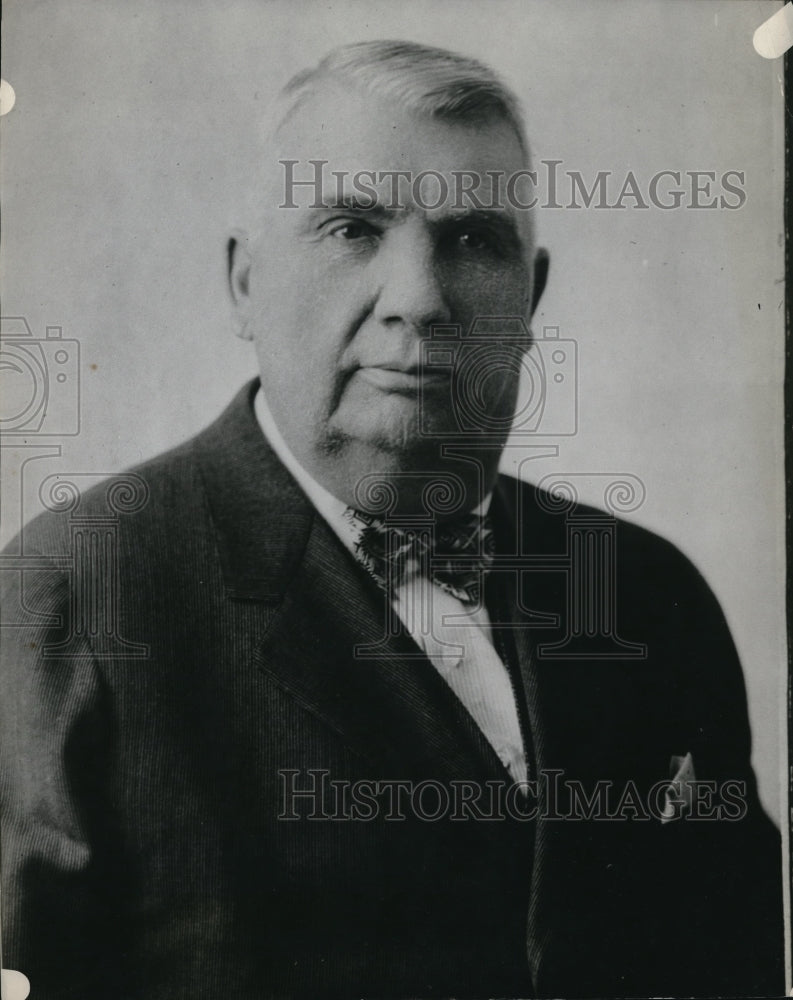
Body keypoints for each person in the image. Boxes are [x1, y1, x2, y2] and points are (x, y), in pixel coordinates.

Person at [0, 40, 783, 999]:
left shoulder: (648, 594)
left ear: (530, 297)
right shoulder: (73, 599)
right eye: (351, 228)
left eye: (474, 240)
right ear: (244, 283)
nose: (418, 301)